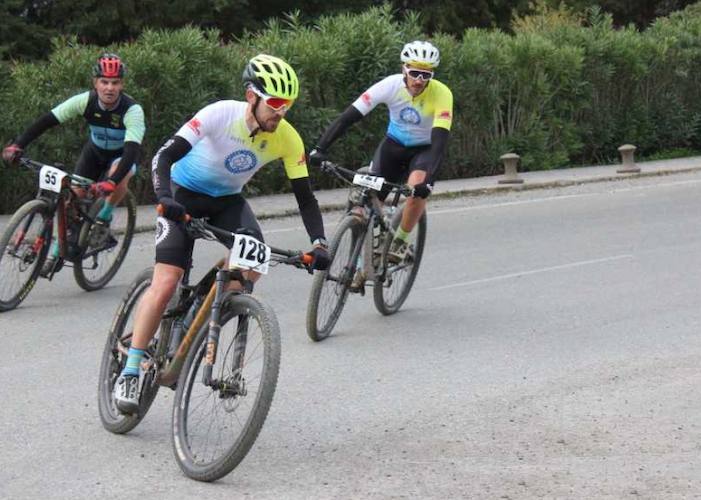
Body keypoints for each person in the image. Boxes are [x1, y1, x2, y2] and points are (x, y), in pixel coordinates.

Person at [113, 54, 330, 414]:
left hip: (226, 201)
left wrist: (319, 243)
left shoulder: (288, 139)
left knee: (252, 265)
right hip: (182, 194)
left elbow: (305, 199)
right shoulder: (219, 114)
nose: (281, 113)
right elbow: (163, 157)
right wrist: (165, 198)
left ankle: (201, 315)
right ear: (251, 96)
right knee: (167, 282)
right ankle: (133, 368)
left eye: (287, 105)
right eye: (275, 103)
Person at [309, 40, 453, 264]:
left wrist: (429, 182)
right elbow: (350, 116)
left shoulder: (442, 94)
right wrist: (320, 148)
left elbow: (440, 141)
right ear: (404, 68)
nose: (419, 80)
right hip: (393, 146)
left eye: (426, 75)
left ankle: (400, 242)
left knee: (416, 188)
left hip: (423, 150)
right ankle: (357, 257)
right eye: (415, 73)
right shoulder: (390, 85)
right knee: (367, 199)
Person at [2, 53, 145, 275]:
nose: (109, 88)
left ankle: (104, 217)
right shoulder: (85, 101)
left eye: (115, 83)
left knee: (119, 176)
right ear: (95, 83)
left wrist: (111, 182)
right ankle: (60, 248)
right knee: (72, 197)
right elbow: (47, 120)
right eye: (104, 82)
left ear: (122, 84)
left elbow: (132, 151)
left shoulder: (132, 110)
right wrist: (18, 145)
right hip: (95, 152)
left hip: (122, 155)